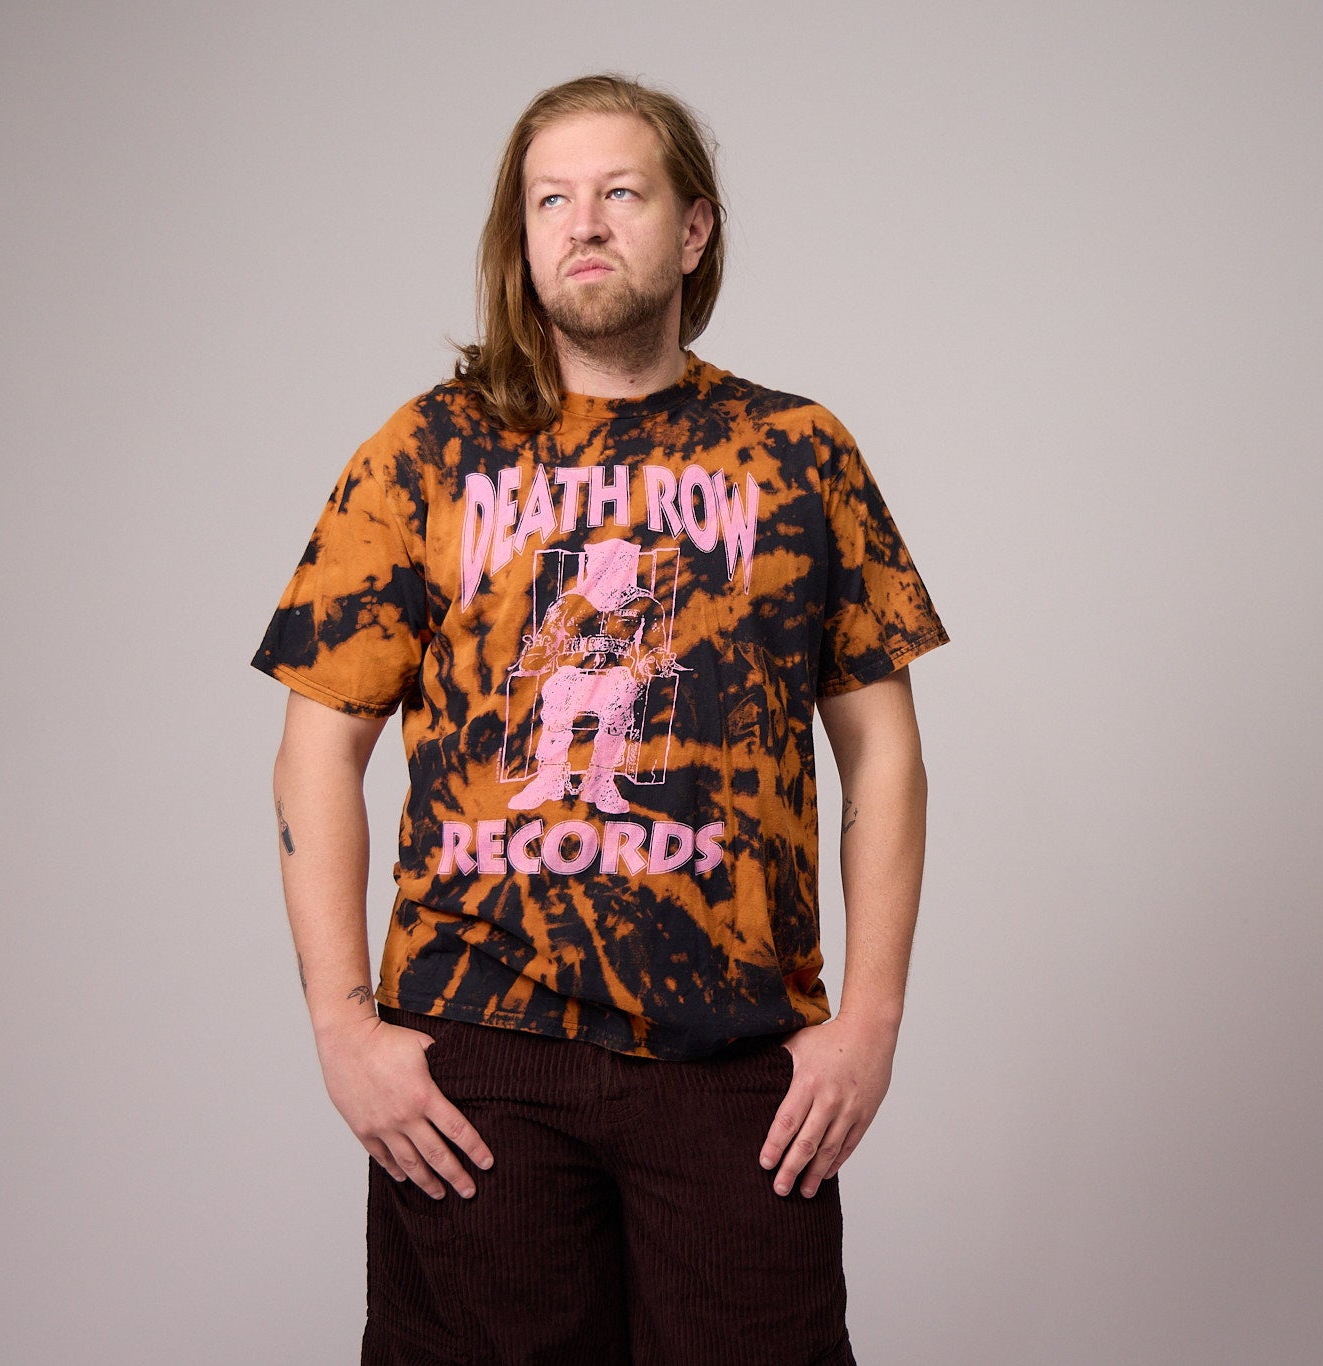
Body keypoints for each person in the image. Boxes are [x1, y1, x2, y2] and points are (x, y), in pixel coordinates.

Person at [252, 72, 949, 1365]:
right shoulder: (426, 452)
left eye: (621, 192)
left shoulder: (798, 453)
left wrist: (871, 1023)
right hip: (480, 1052)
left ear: (692, 229)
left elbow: (885, 755)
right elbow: (315, 755)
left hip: (737, 1048)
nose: (583, 223)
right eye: (551, 200)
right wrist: (345, 1028)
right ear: (521, 238)